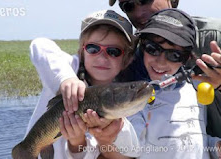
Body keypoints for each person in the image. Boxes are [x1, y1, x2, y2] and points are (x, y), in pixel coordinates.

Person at [107, 0, 221, 158]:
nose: (138, 12)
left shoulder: (219, 35)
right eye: (128, 5)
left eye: (145, 0)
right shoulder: (131, 53)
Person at [26, 10, 140, 159]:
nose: (102, 57)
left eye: (113, 51)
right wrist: (66, 78)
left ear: (126, 59)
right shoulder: (67, 69)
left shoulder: (124, 101)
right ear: (82, 51)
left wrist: (77, 142)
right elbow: (39, 45)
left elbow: (129, 151)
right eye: (93, 48)